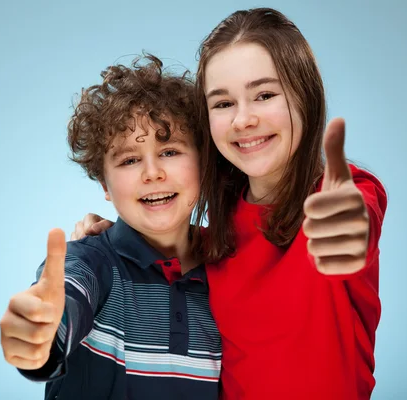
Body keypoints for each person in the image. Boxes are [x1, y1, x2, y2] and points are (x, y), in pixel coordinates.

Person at [74, 7, 388, 400]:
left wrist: (350, 220)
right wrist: (108, 239)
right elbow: (169, 241)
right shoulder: (219, 233)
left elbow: (359, 216)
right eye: (223, 103)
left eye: (265, 95)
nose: (243, 119)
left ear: (304, 95)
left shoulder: (343, 195)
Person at [0, 55, 222, 400]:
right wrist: (42, 330)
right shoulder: (91, 261)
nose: (152, 173)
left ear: (203, 163)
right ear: (104, 184)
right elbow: (66, 293)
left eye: (170, 151)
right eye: (130, 160)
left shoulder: (228, 271)